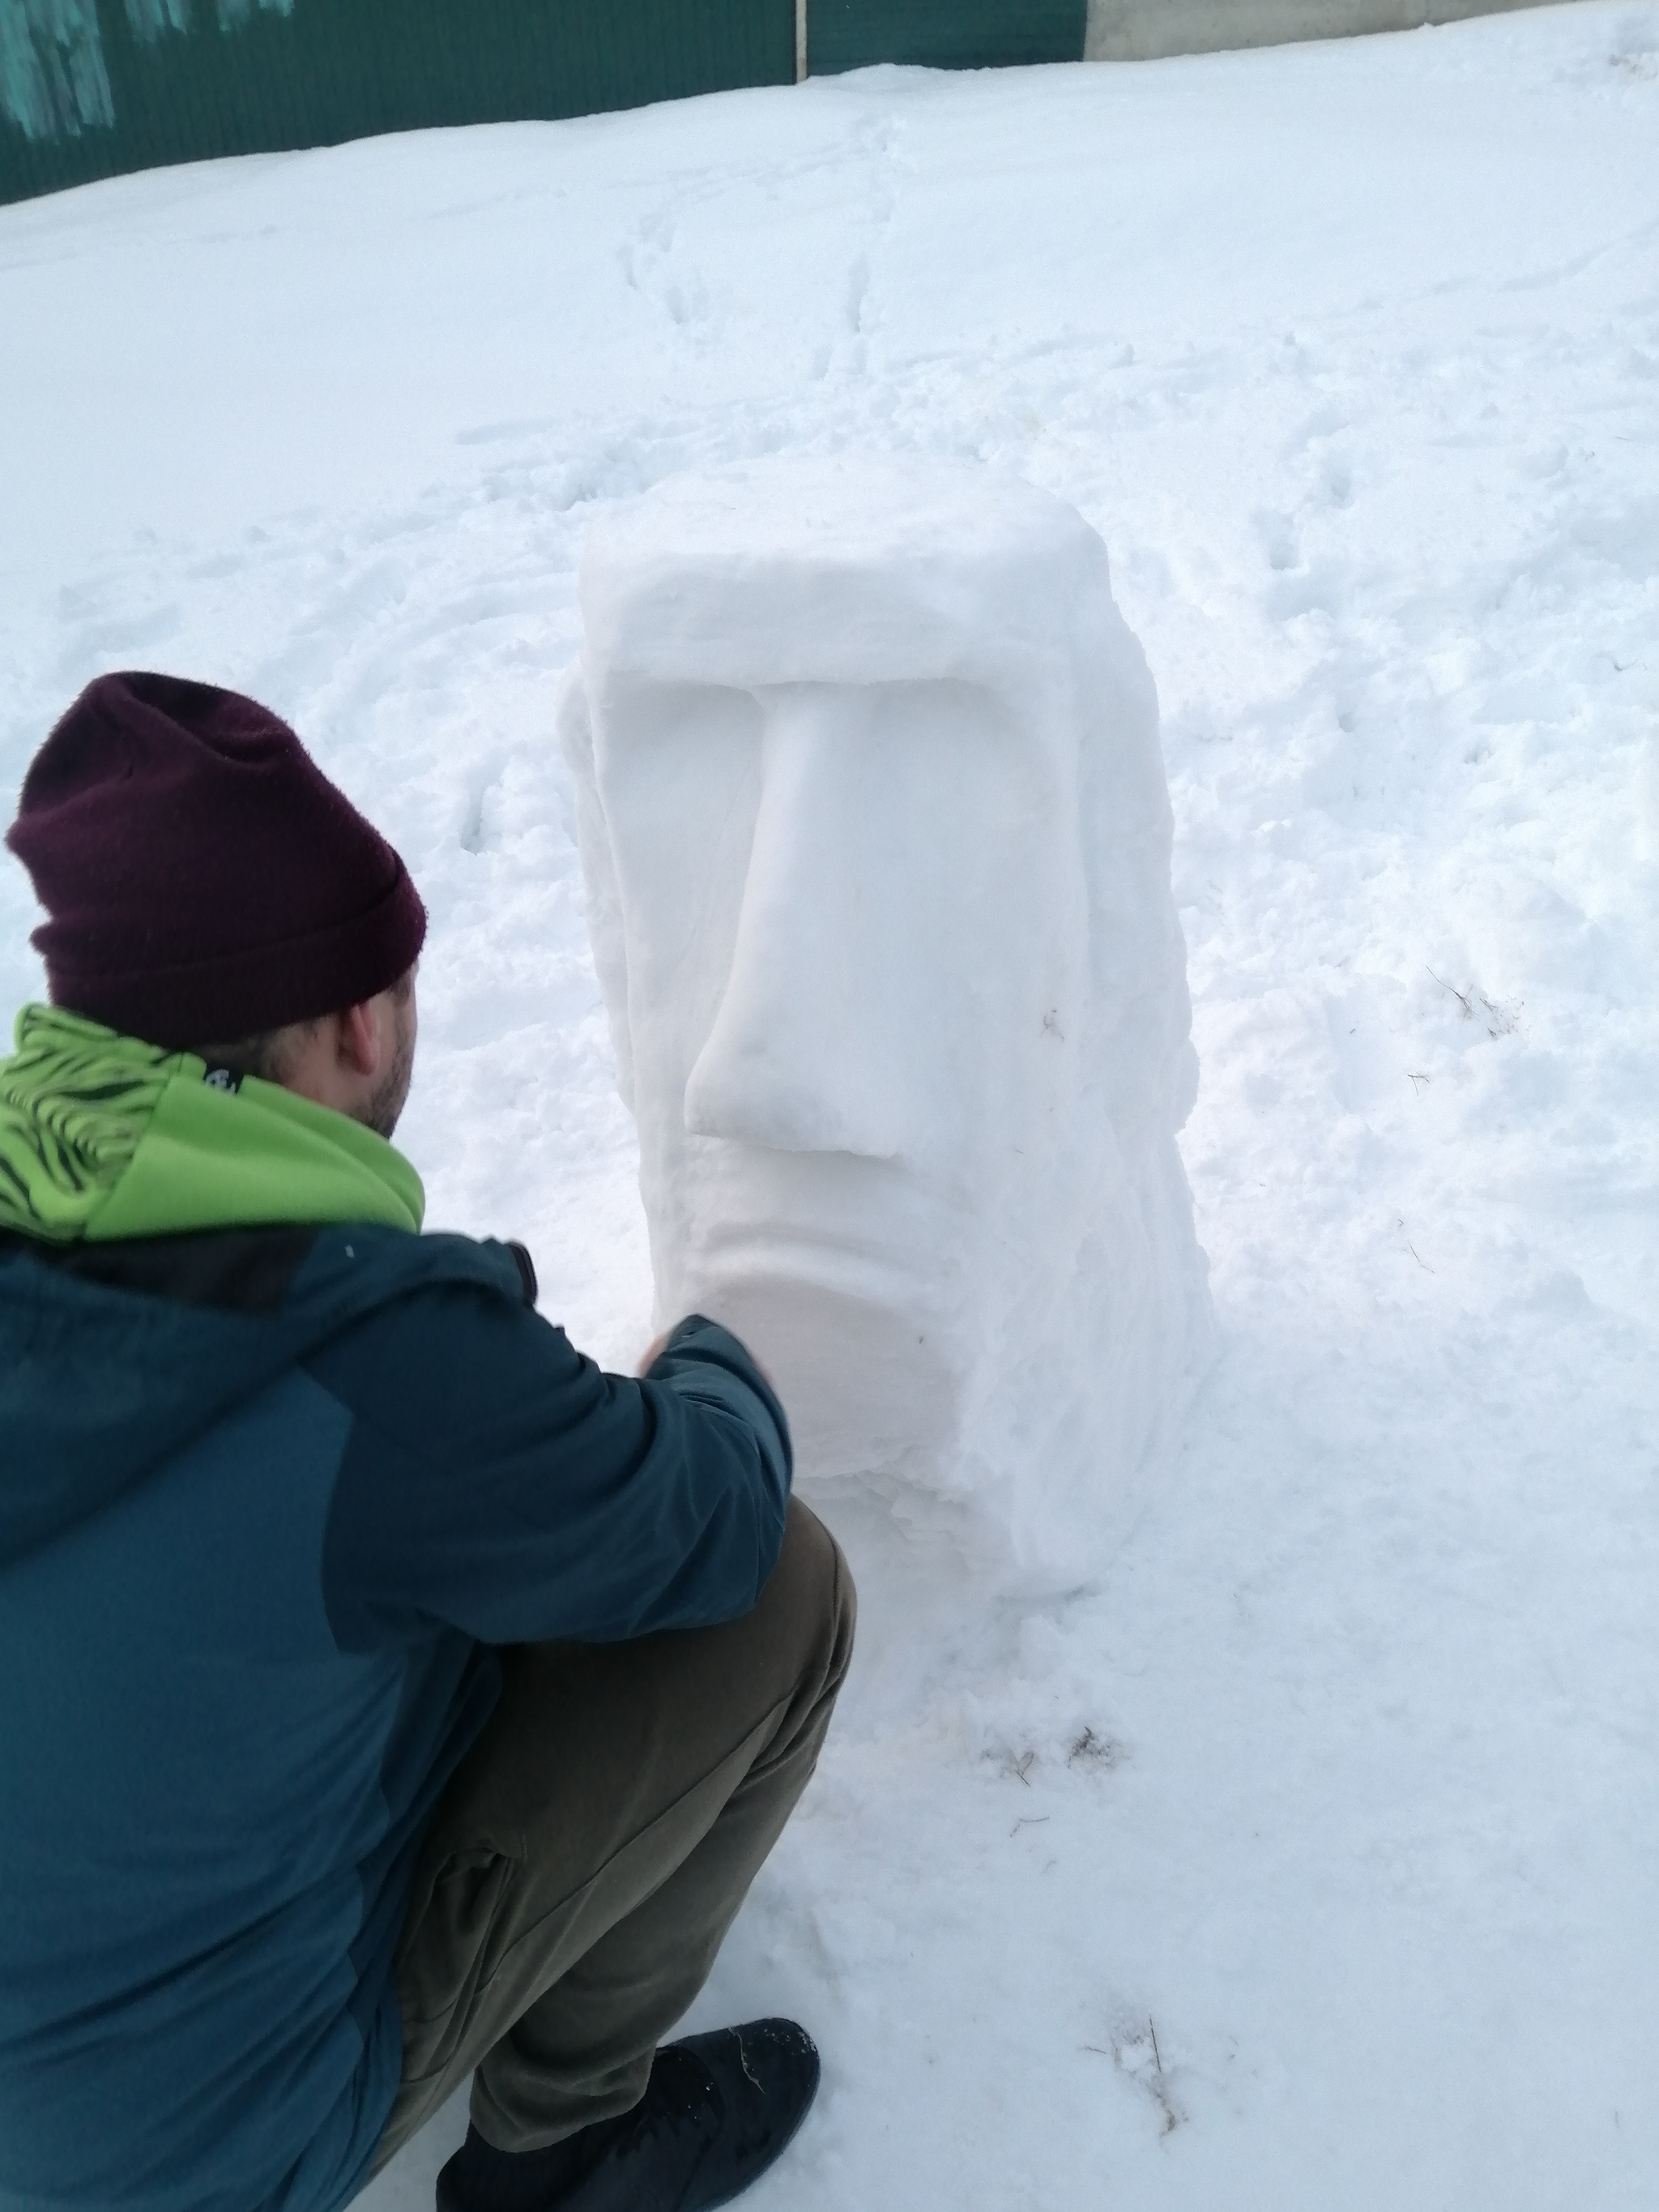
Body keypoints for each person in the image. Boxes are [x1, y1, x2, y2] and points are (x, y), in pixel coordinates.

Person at [0, 672, 855, 2212]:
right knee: (781, 1594)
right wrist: (711, 1356)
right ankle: (563, 2149)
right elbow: (711, 1515)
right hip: (184, 2159)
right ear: (356, 1020)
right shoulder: (376, 1368)